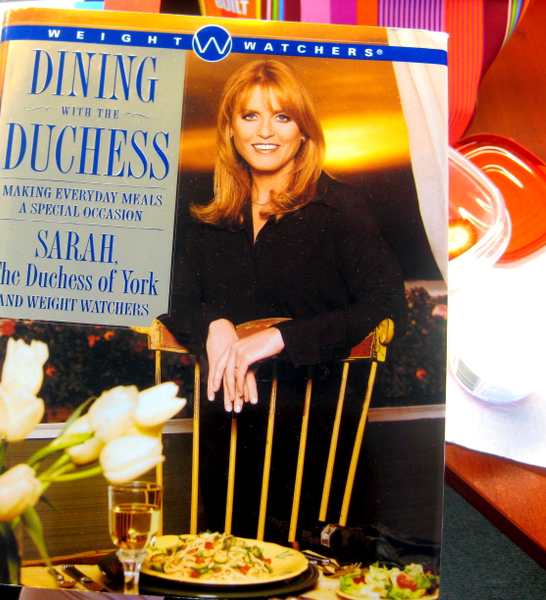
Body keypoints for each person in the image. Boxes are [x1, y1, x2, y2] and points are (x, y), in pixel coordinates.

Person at [162, 59, 408, 542]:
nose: (265, 132)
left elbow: (385, 305)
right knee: (228, 564)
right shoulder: (212, 216)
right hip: (227, 438)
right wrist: (214, 325)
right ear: (231, 130)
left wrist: (279, 338)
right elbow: (176, 296)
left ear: (303, 130)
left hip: (315, 438)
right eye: (250, 116)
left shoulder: (340, 207)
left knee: (306, 569)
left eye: (282, 116)